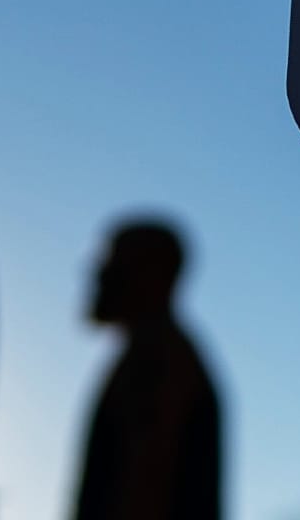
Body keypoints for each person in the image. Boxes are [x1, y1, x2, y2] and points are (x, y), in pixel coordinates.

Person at [73, 218, 223, 520]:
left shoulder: (160, 359)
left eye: (113, 261)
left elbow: (145, 484)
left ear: (155, 273)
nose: (98, 273)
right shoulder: (157, 353)